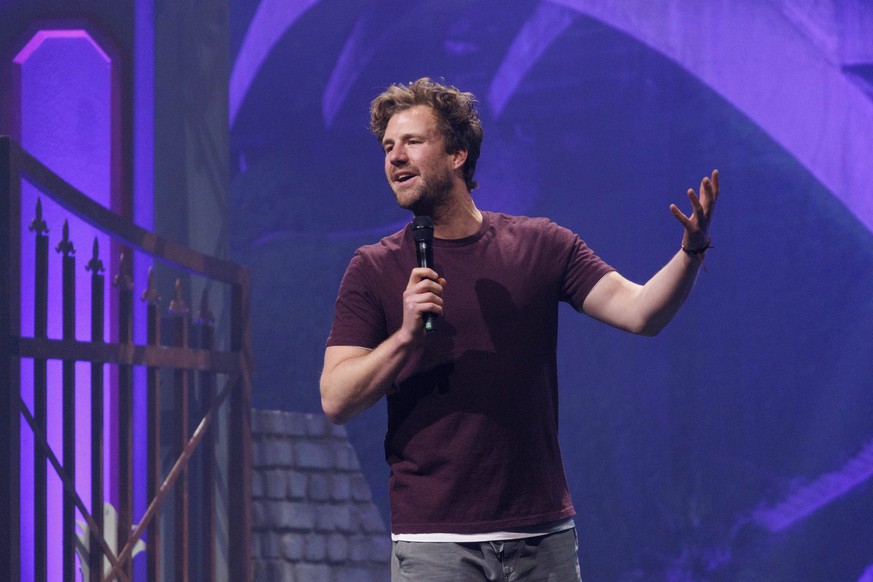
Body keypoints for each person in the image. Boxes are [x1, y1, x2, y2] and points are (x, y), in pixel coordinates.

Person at [320, 77, 718, 581]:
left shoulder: (541, 246)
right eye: (388, 147)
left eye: (413, 142)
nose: (395, 157)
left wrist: (691, 252)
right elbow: (335, 398)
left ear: (458, 153)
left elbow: (642, 313)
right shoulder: (373, 268)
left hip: (540, 539)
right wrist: (403, 338)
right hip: (435, 545)